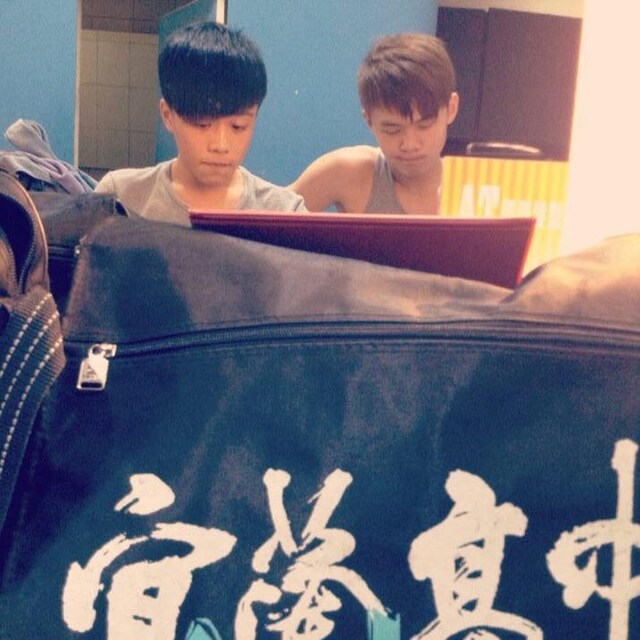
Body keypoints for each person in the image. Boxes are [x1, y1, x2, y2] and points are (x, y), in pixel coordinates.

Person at [95, 21, 305, 225]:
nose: (220, 145)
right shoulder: (120, 197)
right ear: (167, 115)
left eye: (238, 126)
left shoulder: (286, 213)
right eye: (202, 124)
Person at [289, 33, 458, 215]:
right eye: (392, 129)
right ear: (368, 120)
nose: (410, 144)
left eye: (424, 125)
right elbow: (270, 214)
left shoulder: (474, 186)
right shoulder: (348, 172)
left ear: (451, 109)